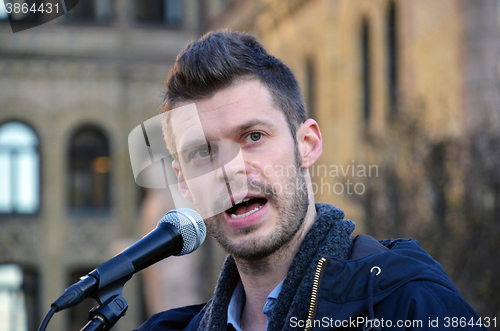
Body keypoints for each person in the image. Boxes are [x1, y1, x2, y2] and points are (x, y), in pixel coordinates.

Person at [134, 30, 488, 331]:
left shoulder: (412, 305)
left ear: (307, 145)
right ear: (183, 182)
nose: (230, 168)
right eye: (203, 153)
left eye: (253, 136)